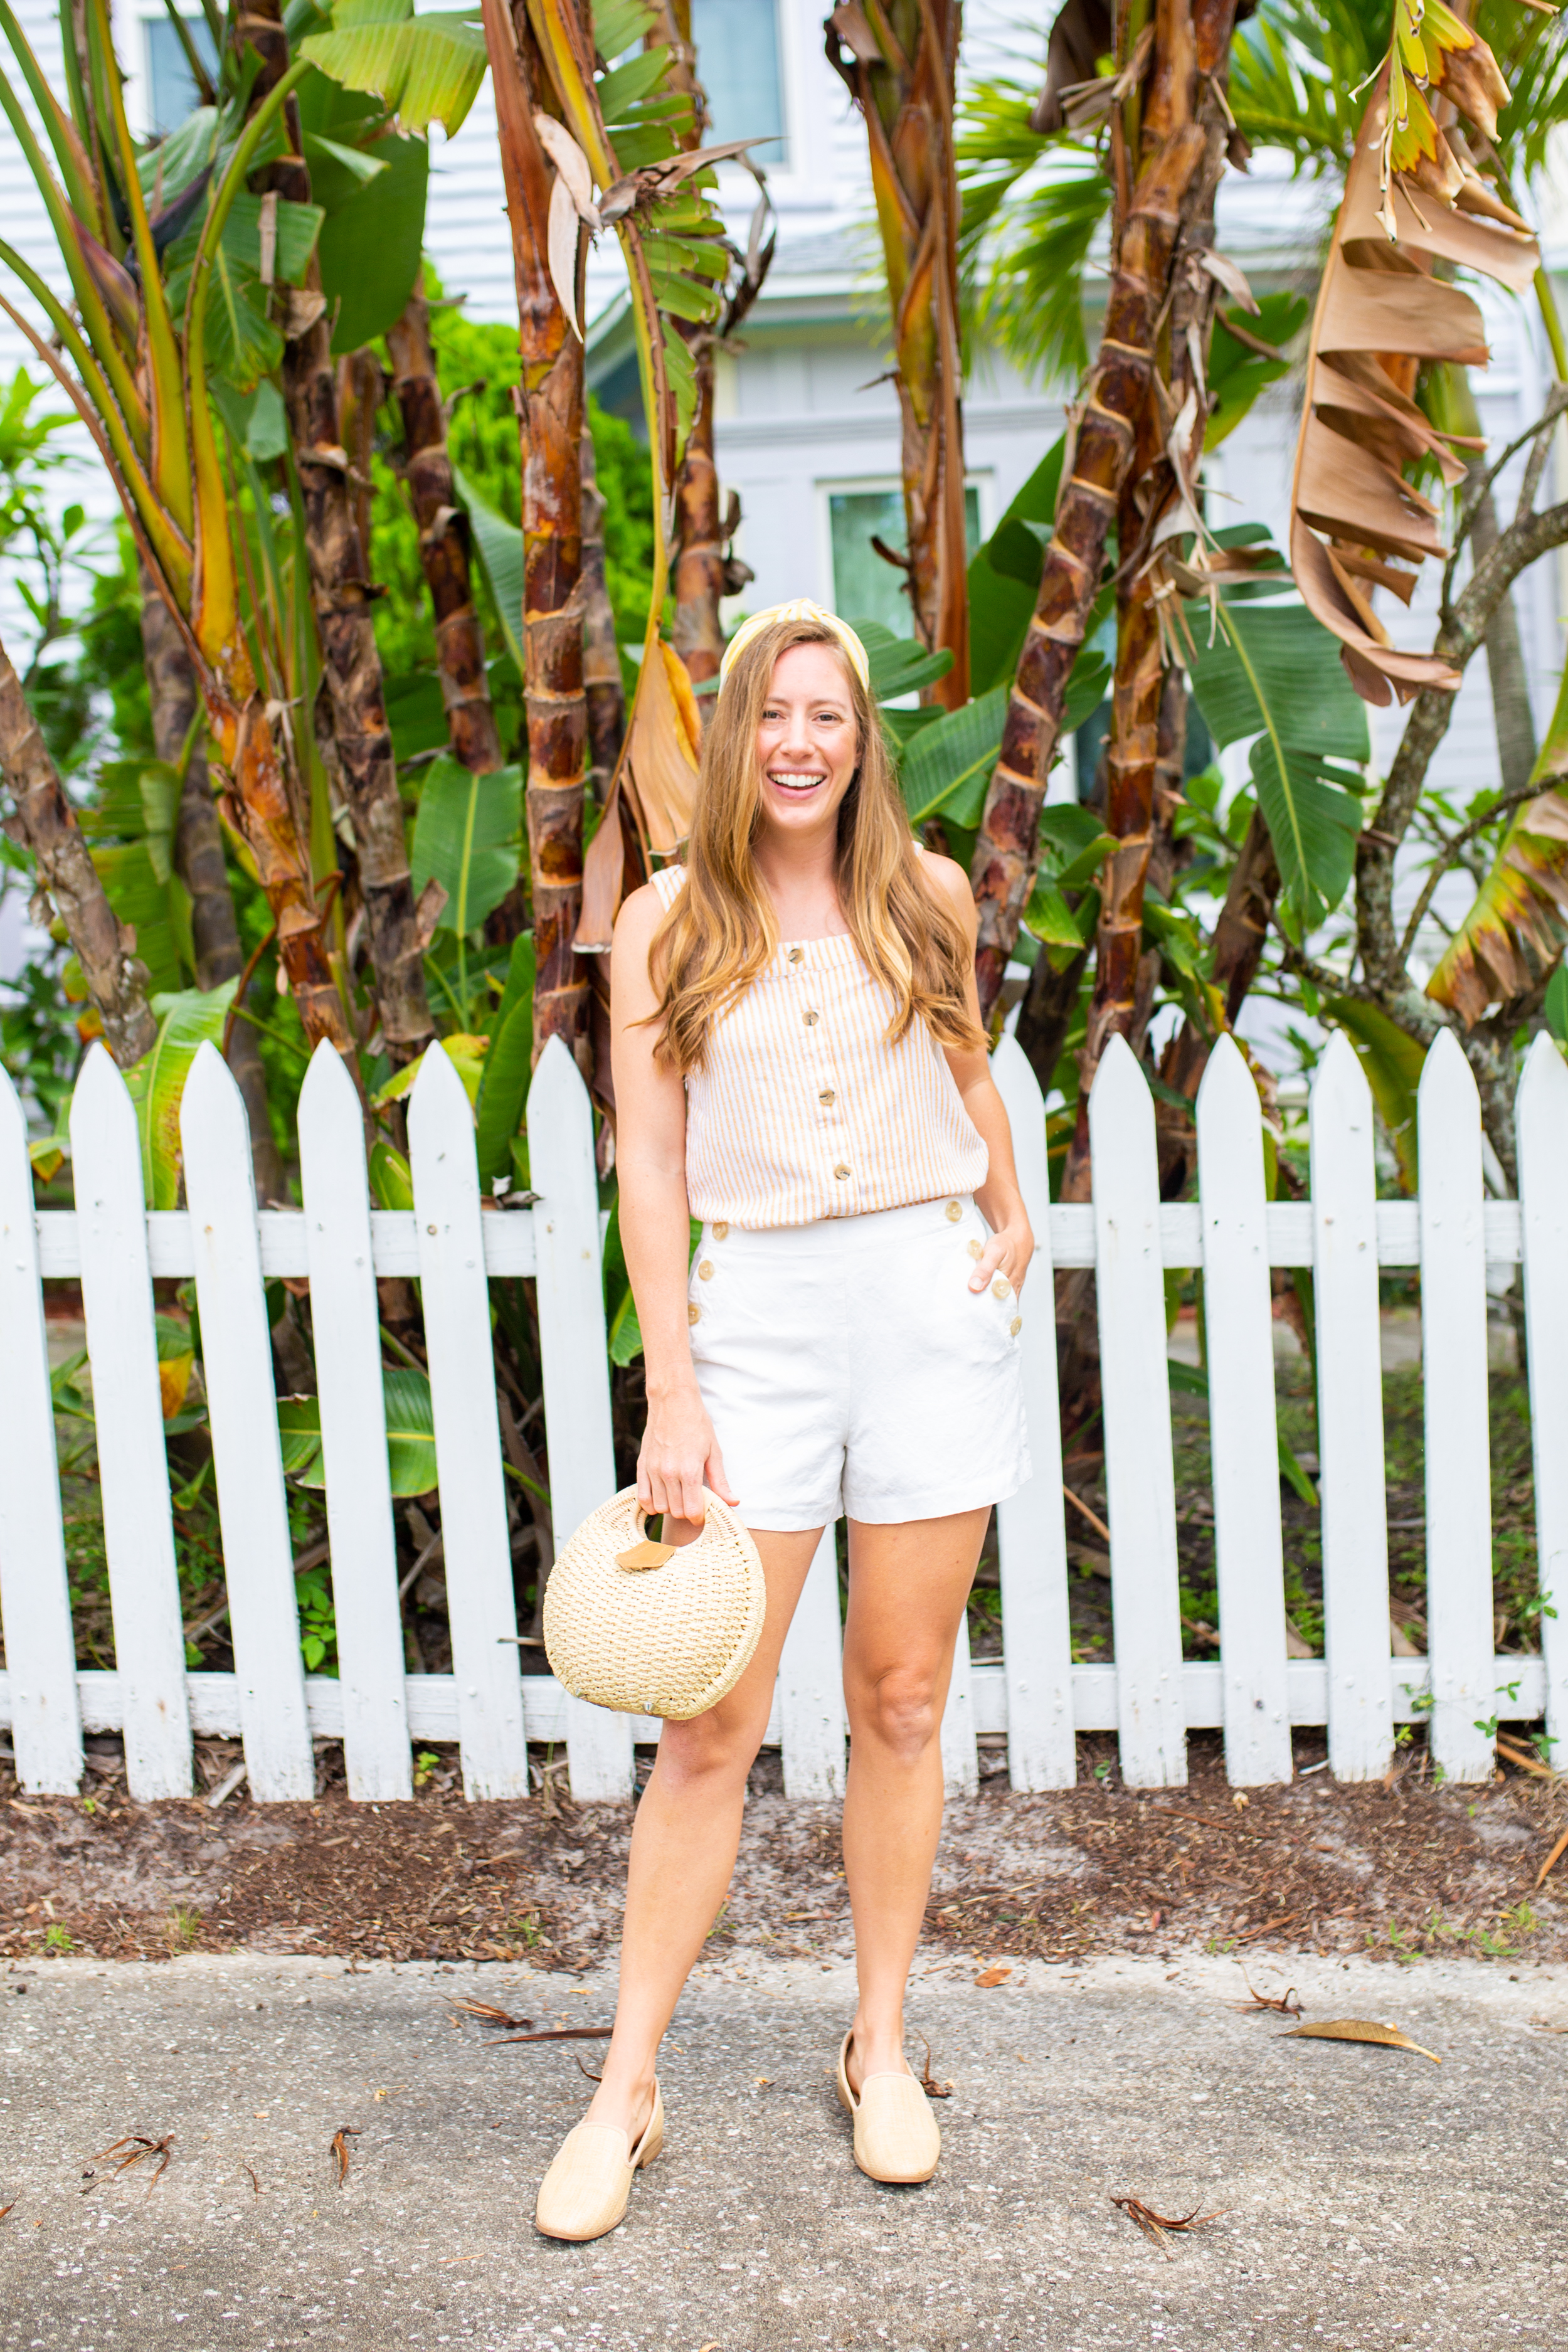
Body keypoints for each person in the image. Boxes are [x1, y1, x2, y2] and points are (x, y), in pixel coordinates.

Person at [534, 601, 1034, 2242]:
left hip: (921, 1310)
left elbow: (968, 1076)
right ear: (738, 733)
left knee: (898, 1699)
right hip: (756, 1333)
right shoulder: (669, 923)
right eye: (774, 715)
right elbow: (653, 1171)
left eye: (829, 715)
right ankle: (625, 2091)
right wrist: (671, 1389)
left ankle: (878, 2046)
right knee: (705, 1727)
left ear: (859, 737)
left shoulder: (925, 896)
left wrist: (1009, 1213)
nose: (802, 743)